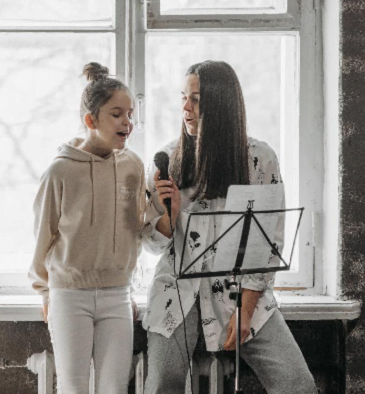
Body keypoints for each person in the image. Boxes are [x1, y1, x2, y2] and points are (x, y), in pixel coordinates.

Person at [142, 61, 317, 394]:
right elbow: (151, 245)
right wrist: (168, 216)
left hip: (243, 291)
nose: (185, 108)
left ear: (221, 105)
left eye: (195, 99)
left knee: (298, 384)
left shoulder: (259, 158)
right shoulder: (166, 159)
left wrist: (246, 311)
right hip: (176, 291)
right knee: (163, 383)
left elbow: (268, 243)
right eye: (183, 97)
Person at [29, 62, 146, 394]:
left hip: (117, 295)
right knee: (73, 387)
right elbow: (43, 236)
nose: (128, 122)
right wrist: (45, 291)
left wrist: (129, 288)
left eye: (130, 114)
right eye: (117, 114)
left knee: (114, 388)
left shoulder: (133, 166)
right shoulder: (60, 172)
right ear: (90, 121)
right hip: (69, 295)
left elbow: (135, 233)